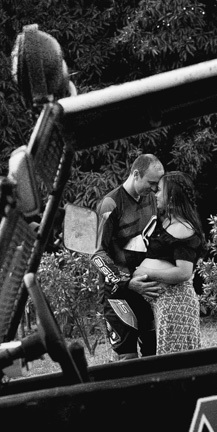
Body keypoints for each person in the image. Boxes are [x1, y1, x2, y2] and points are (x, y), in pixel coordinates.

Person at [90, 154, 165, 359]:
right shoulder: (110, 204)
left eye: (158, 184)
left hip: (146, 289)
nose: (155, 188)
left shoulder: (152, 198)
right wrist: (127, 282)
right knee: (127, 358)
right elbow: (96, 253)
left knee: (154, 353)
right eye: (151, 182)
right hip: (118, 293)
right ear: (135, 174)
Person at [133, 171, 207, 354]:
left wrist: (147, 273)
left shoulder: (183, 228)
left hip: (177, 304)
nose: (155, 195)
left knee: (176, 359)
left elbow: (183, 272)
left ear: (172, 195)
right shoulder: (165, 223)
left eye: (159, 191)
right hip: (164, 304)